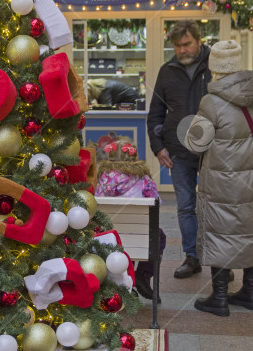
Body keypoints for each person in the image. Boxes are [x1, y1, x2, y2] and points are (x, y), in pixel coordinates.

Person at [184, 40, 253, 316]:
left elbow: (195, 144)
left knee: (219, 232)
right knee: (249, 231)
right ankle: (249, 291)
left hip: (223, 183)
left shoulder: (211, 102)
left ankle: (219, 298)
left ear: (215, 66)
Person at [147, 20, 211, 279]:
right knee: (185, 206)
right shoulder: (167, 70)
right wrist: (158, 148)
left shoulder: (214, 67)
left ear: (199, 40)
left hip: (213, 152)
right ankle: (192, 257)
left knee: (216, 207)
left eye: (187, 44)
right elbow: (155, 114)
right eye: (177, 46)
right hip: (178, 152)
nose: (182, 50)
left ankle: (220, 263)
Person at [95, 138, 165, 301]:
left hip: (110, 238)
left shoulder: (103, 181)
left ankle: (124, 281)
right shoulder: (144, 180)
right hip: (139, 239)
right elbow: (156, 204)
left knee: (124, 233)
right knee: (159, 236)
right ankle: (142, 275)